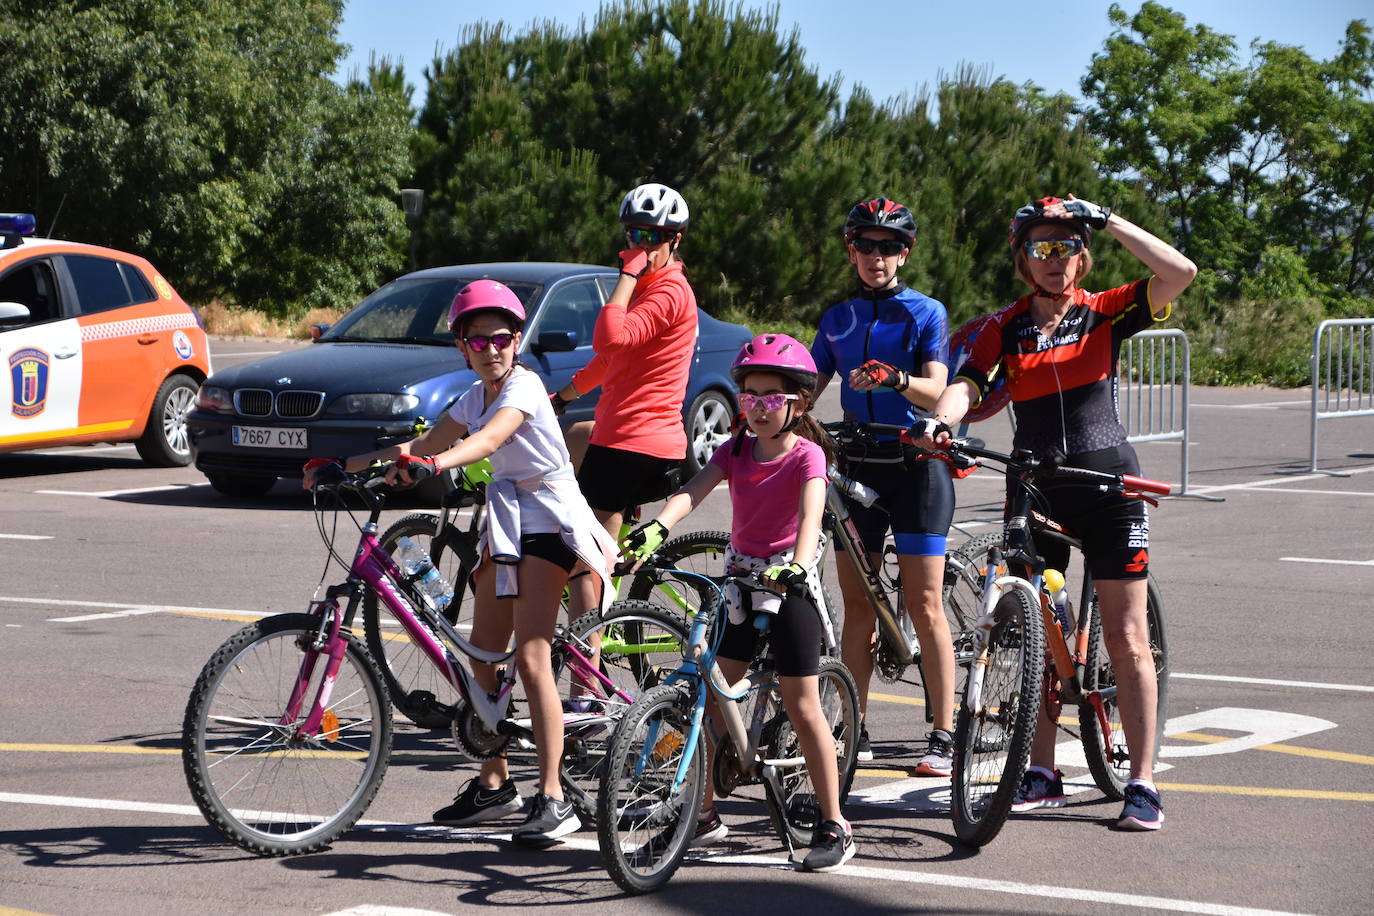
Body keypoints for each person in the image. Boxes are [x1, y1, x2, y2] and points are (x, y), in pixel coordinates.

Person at [913, 194, 1197, 831]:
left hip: (1107, 484)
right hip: (1035, 486)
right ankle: (1043, 770)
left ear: (1083, 255)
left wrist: (1111, 220)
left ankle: (1143, 781)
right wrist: (940, 422)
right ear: (1022, 259)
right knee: (1035, 636)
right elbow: (966, 384)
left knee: (1125, 638)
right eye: (1040, 248)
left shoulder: (1105, 311)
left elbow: (1180, 274)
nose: (1054, 260)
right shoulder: (1003, 327)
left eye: (1066, 246)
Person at [303, 280, 616, 846]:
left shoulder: (524, 386)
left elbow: (491, 441)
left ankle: (553, 797)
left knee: (533, 654)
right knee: (481, 657)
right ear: (462, 347)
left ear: (516, 341)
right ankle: (495, 785)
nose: (490, 348)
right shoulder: (475, 394)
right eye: (477, 341)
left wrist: (435, 464)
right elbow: (426, 439)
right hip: (511, 524)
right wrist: (342, 465)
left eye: (501, 338)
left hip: (550, 521)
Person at [619, 333, 856, 872]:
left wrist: (796, 562)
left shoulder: (807, 454)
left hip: (789, 588)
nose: (758, 408)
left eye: (771, 398)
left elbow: (813, 510)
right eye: (748, 397)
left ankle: (835, 822)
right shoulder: (736, 450)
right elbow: (692, 490)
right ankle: (696, 816)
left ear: (799, 401)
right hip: (740, 587)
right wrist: (656, 528)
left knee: (802, 704)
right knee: (711, 694)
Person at [810, 197, 957, 775]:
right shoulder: (838, 317)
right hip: (856, 464)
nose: (877, 256)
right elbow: (809, 386)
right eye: (866, 245)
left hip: (915, 466)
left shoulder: (926, 312)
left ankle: (943, 733)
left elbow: (939, 389)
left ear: (905, 253)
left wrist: (896, 379)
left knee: (923, 603)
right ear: (851, 250)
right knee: (860, 607)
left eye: (889, 246)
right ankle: (855, 727)